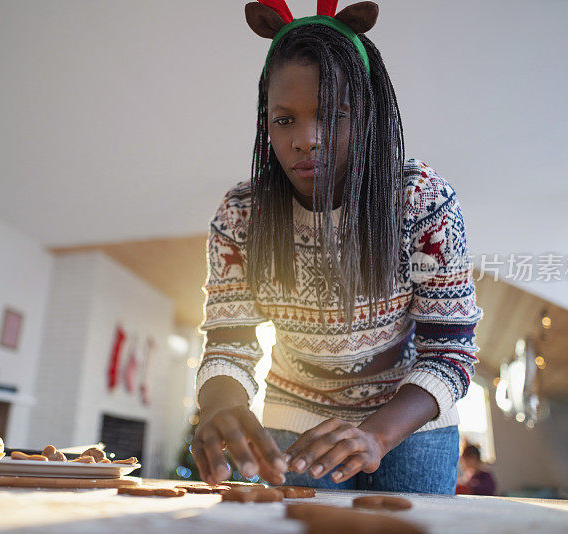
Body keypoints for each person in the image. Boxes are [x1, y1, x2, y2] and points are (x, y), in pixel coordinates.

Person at [191, 0, 483, 495]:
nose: (307, 139)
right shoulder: (242, 213)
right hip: (293, 418)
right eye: (284, 120)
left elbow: (450, 350)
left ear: (368, 113)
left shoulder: (420, 200)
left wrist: (376, 434)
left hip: (410, 421)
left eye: (332, 115)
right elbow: (229, 345)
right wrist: (222, 405)